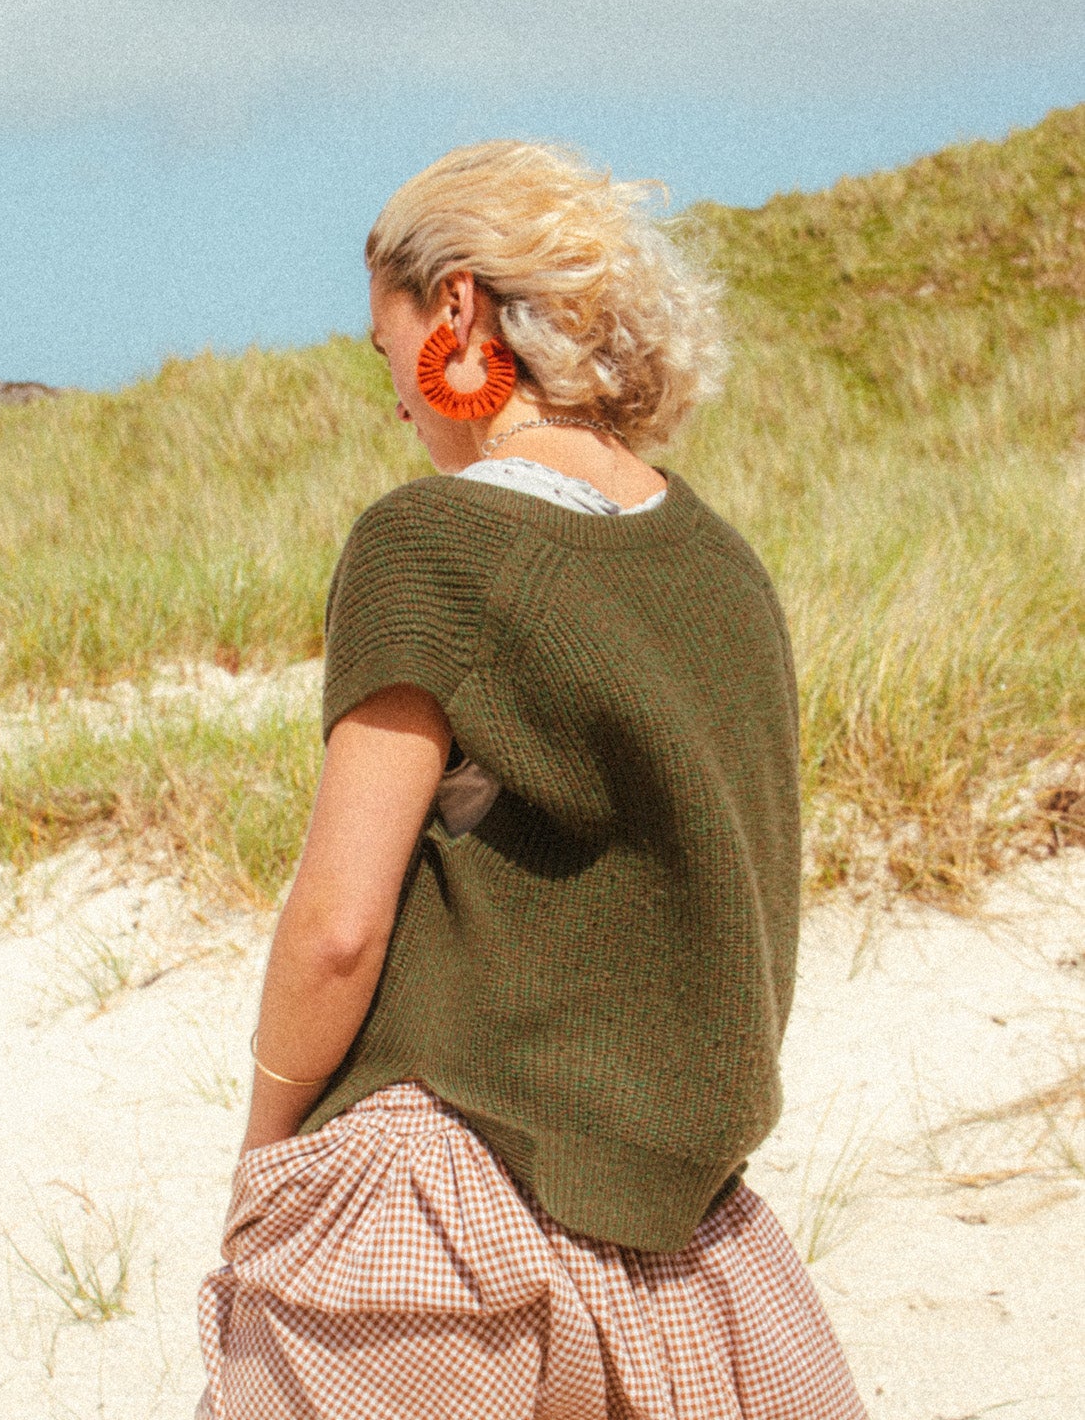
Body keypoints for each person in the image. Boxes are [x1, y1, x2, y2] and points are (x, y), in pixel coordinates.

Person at [197, 141, 866, 1420]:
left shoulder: (431, 539)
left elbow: (338, 925)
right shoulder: (723, 566)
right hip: (690, 1253)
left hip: (435, 1216)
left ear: (456, 310)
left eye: (382, 345)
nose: (394, 395)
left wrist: (267, 1149)